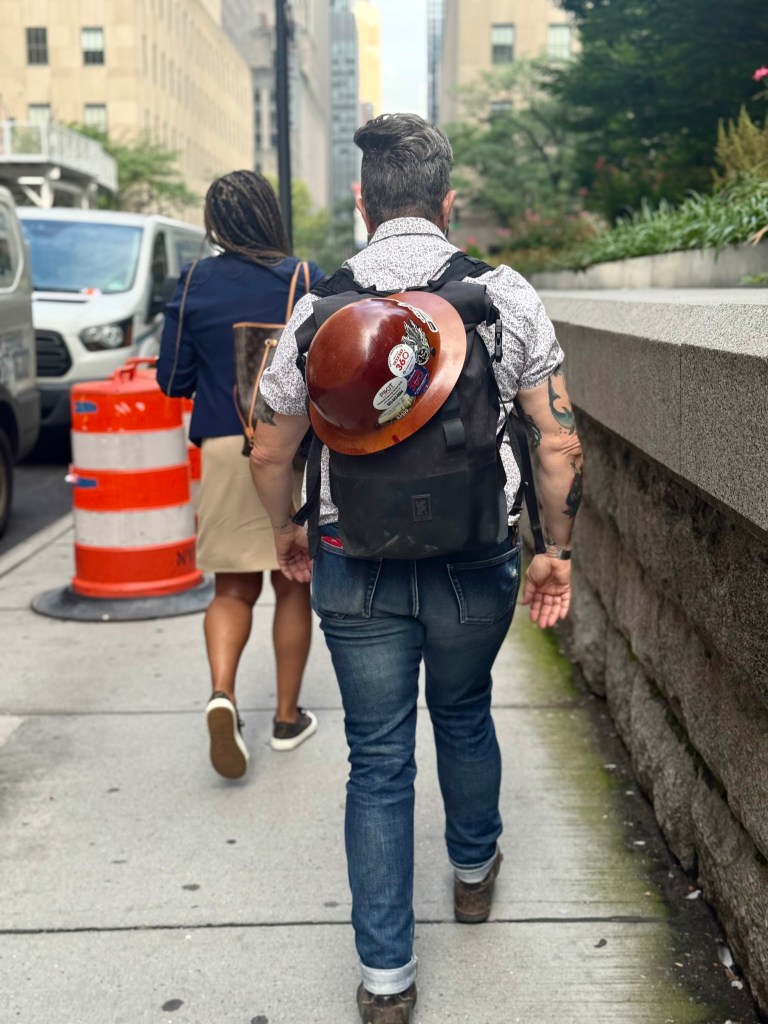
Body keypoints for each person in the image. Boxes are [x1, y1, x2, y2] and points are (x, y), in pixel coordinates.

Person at [249, 115, 583, 1023]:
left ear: (362, 204)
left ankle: (387, 980)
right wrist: (555, 549)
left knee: (378, 758)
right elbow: (558, 446)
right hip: (475, 555)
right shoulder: (501, 294)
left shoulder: (318, 312)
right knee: (466, 712)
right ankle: (473, 871)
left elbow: (270, 449)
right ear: (447, 201)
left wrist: (285, 533)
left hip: (352, 559)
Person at [156, 170, 325, 780]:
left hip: (226, 450)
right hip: (292, 448)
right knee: (292, 583)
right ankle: (286, 718)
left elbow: (171, 378)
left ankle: (223, 692)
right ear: (269, 216)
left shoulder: (195, 279)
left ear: (215, 225)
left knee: (231, 590)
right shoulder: (303, 279)